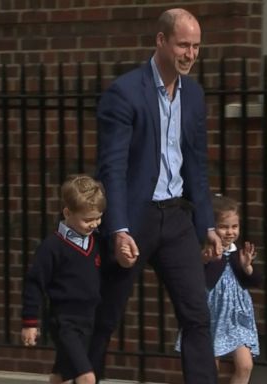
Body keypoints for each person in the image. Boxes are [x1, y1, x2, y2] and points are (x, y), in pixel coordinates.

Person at [89, 8, 222, 384]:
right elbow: (112, 168)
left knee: (197, 314)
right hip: (136, 218)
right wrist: (118, 230)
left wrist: (207, 223)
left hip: (177, 217)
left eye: (196, 46)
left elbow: (196, 164)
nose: (190, 54)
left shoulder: (193, 95)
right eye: (183, 44)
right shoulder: (125, 93)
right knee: (105, 315)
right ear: (161, 41)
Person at [21, 174, 106, 384]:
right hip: (64, 321)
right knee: (86, 376)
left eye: (98, 217)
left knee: (62, 374)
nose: (94, 223)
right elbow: (34, 283)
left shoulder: (97, 243)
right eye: (88, 219)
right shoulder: (52, 247)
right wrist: (30, 322)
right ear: (67, 212)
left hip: (88, 320)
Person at [195, 194, 261, 384]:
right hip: (213, 313)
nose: (230, 232)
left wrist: (248, 267)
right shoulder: (206, 252)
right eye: (223, 227)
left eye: (234, 226)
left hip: (238, 316)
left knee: (245, 365)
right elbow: (205, 281)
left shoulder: (238, 251)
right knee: (210, 368)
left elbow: (254, 281)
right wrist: (209, 260)